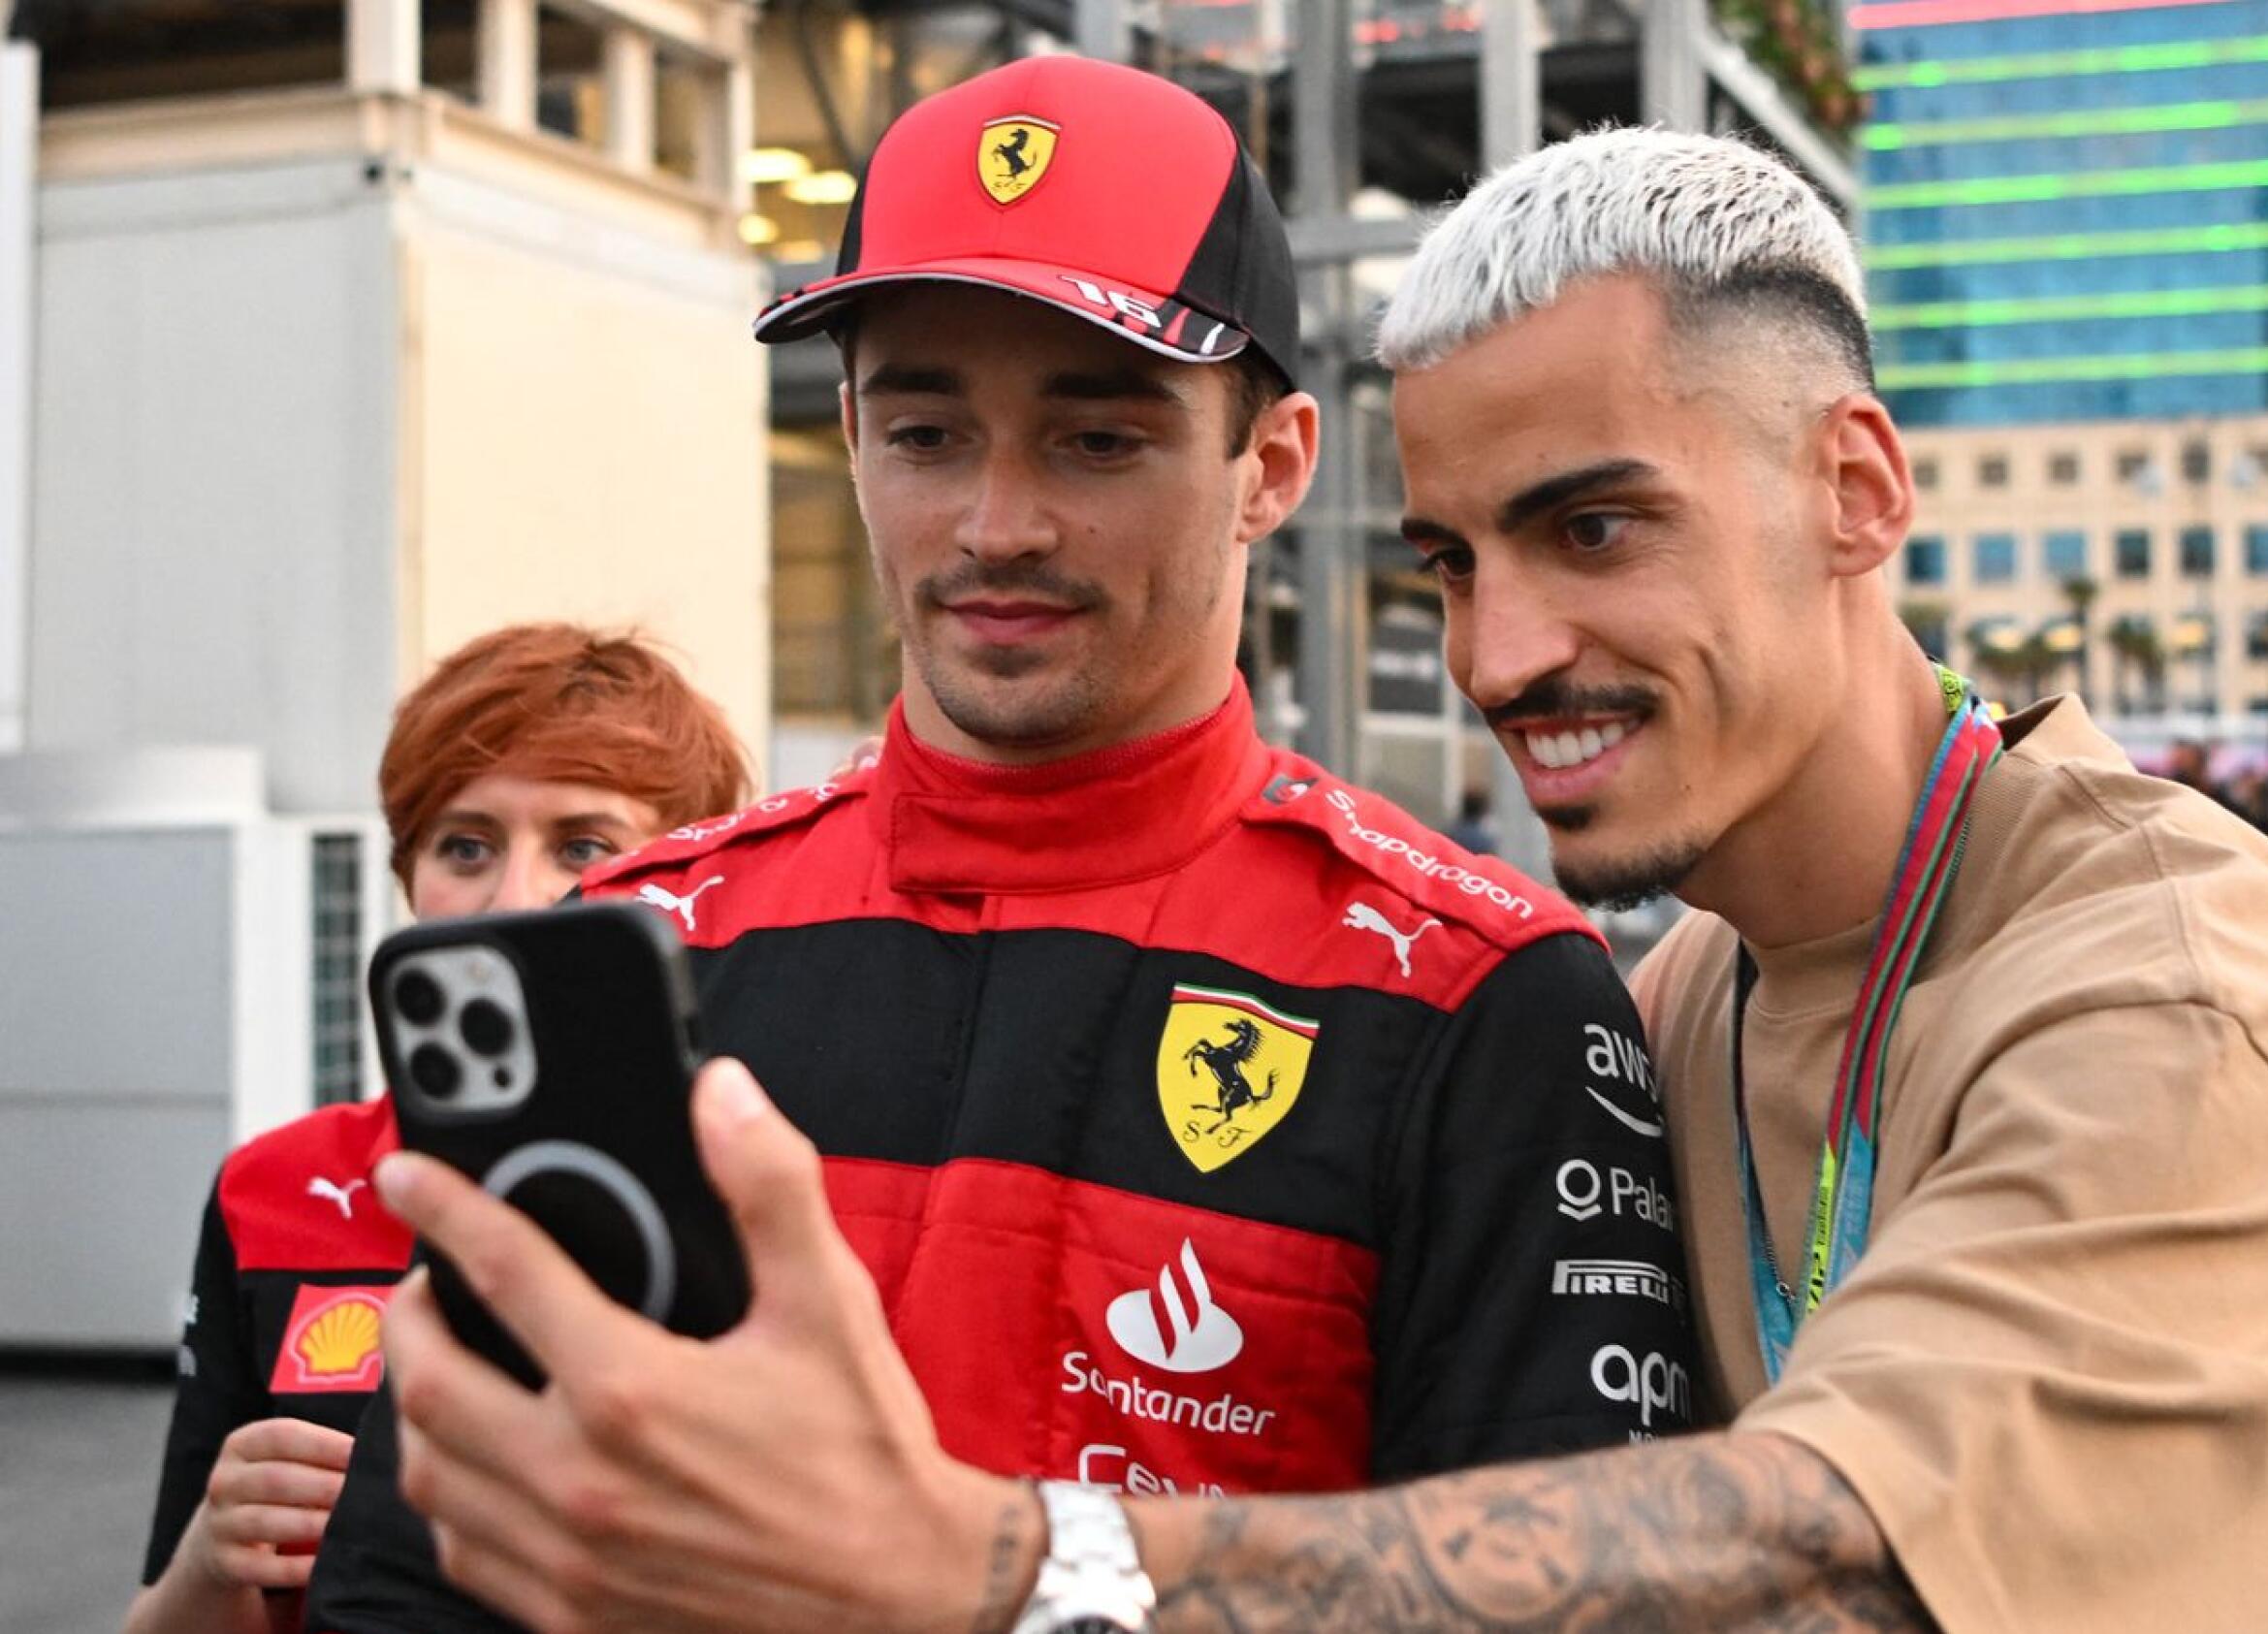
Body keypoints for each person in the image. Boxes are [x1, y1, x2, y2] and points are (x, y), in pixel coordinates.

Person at [348, 126, 2268, 1634]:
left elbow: (1833, 1563)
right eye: (1452, 562)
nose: (1501, 656)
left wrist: (991, 1558)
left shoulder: (2171, 989)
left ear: (1851, 485)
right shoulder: (1676, 987)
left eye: (1596, 529)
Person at [307, 58, 1691, 1634]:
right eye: (925, 434)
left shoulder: (1484, 999)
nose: (995, 525)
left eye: (1096, 442)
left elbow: (1569, 1604)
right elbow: (408, 1587)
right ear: (847, 437)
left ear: (1276, 465)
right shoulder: (639, 952)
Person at [123, 624, 750, 1634]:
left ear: (693, 881)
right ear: (407, 876)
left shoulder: (768, 1183)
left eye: (586, 844)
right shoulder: (272, 1186)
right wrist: (210, 1557)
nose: (517, 896)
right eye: (466, 844)